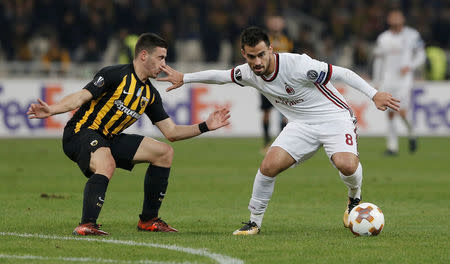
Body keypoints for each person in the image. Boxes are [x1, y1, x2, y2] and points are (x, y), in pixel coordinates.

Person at [158, 27, 400, 235]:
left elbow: (343, 73)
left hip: (334, 118)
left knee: (346, 165)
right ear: (244, 54)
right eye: (251, 57)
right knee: (269, 166)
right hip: (300, 125)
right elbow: (222, 76)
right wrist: (184, 78)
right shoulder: (249, 72)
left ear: (271, 49)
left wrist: (374, 94)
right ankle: (254, 222)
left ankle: (354, 197)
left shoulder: (299, 66)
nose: (258, 62)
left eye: (262, 55)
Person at [27, 33, 230, 236]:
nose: (164, 64)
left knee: (164, 152)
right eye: (160, 58)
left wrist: (205, 126)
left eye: (165, 59)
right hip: (81, 132)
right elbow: (81, 97)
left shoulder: (150, 94)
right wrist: (52, 110)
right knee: (107, 163)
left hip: (109, 138)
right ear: (143, 55)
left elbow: (172, 132)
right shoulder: (114, 74)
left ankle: (148, 220)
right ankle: (86, 224)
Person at [372, 9, 426, 156]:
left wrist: (410, 66)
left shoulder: (412, 35)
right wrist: (376, 80)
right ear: (389, 20)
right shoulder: (383, 38)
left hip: (404, 80)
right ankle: (392, 147)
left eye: (398, 17)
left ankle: (412, 133)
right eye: (392, 17)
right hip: (388, 79)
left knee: (401, 111)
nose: (395, 20)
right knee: (389, 113)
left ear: (403, 19)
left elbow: (421, 55)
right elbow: (378, 61)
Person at [259, 15, 293, 153]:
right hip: (266, 80)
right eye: (273, 22)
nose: (276, 24)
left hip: (283, 81)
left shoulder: (288, 40)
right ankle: (266, 142)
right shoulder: (264, 40)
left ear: (283, 23)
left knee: (284, 112)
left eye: (278, 22)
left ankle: (280, 143)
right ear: (268, 23)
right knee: (266, 112)